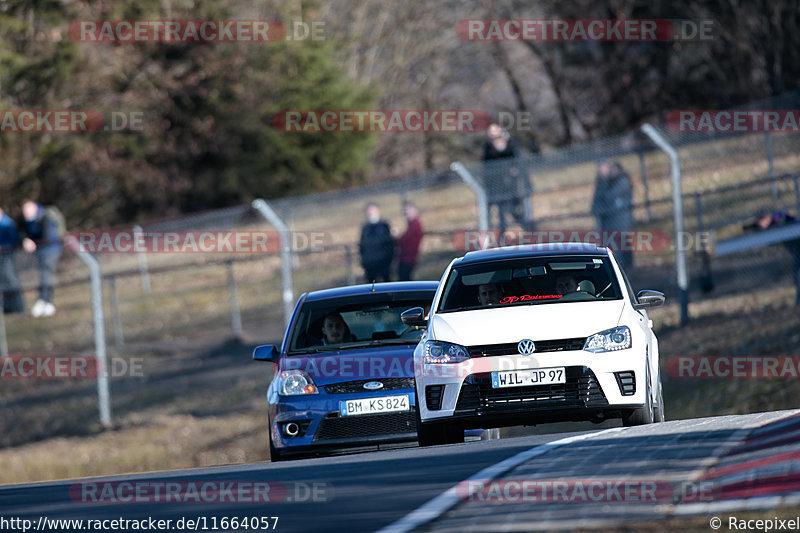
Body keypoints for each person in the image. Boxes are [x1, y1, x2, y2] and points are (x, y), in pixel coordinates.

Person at [482, 123, 533, 233]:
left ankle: (529, 229)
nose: (492, 134)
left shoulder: (510, 143)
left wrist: (513, 169)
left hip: (515, 185)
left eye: (494, 131)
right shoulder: (488, 146)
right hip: (499, 186)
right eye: (490, 131)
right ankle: (502, 234)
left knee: (517, 210)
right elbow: (487, 163)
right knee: (502, 212)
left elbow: (517, 158)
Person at [21, 200, 64, 317]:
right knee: (44, 275)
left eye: (27, 211)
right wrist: (25, 240)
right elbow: (24, 233)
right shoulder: (27, 221)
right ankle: (44, 301)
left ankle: (46, 301)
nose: (25, 214)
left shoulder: (45, 218)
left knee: (46, 275)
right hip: (41, 252)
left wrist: (32, 242)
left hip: (51, 250)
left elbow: (46, 236)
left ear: (34, 208)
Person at [591, 159, 633, 271]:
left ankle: (624, 270)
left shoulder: (621, 182)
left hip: (620, 224)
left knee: (622, 249)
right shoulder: (604, 183)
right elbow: (597, 205)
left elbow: (609, 197)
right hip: (609, 225)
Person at [359, 202, 394, 283]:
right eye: (369, 212)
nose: (371, 214)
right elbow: (362, 246)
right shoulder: (365, 228)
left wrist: (388, 259)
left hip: (383, 262)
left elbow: (389, 244)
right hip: (370, 264)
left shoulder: (384, 225)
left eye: (373, 211)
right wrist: (364, 261)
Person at [0, 207, 25, 314]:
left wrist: (3, 247)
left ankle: (18, 308)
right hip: (2, 257)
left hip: (8, 257)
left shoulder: (8, 223)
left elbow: (14, 240)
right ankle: (7, 308)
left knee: (11, 281)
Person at [396, 202, 423, 281]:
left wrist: (396, 239)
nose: (406, 214)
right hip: (406, 257)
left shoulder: (415, 224)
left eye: (408, 211)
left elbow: (404, 239)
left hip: (408, 258)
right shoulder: (411, 224)